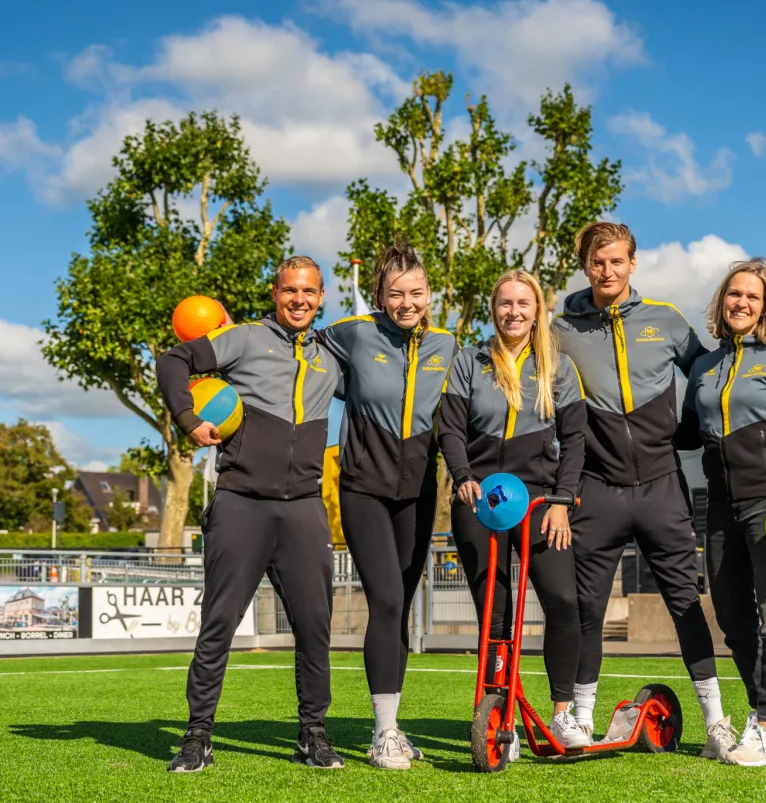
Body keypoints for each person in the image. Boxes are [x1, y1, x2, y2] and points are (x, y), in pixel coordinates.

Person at [551, 221, 734, 756]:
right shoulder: (561, 329)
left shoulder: (666, 322)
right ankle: (580, 718)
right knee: (587, 608)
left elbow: (709, 379)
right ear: (586, 265)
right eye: (597, 262)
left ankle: (716, 723)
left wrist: (695, 432)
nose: (607, 271)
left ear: (633, 263)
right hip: (596, 491)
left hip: (661, 488)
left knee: (684, 604)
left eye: (616, 261)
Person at [156, 255, 344, 772]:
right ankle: (197, 738)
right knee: (218, 624)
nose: (299, 300)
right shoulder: (243, 339)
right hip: (241, 503)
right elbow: (173, 361)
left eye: (308, 292)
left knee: (314, 627)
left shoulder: (333, 355)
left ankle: (313, 735)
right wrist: (188, 419)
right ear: (275, 293)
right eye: (290, 291)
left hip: (304, 508)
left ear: (321, 296)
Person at [677, 258, 766, 766]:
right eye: (733, 294)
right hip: (719, 504)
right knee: (734, 618)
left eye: (752, 297)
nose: (741, 302)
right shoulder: (704, 366)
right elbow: (687, 432)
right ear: (722, 301)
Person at [318, 237, 456, 770]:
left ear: (429, 293)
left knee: (399, 609)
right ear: (379, 293)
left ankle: (392, 725)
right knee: (389, 602)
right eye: (396, 294)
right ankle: (385, 733)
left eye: (416, 293)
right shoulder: (351, 335)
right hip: (363, 491)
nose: (407, 303)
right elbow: (298, 349)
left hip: (419, 495)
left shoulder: (448, 346)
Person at [438, 269, 589, 749]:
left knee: (564, 601)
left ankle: (563, 712)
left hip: (542, 503)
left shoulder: (559, 367)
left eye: (524, 304)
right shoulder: (469, 360)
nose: (514, 312)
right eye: (506, 303)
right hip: (482, 501)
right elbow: (450, 431)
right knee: (495, 614)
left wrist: (563, 500)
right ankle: (498, 712)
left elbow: (577, 439)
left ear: (537, 310)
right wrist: (464, 479)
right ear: (494, 308)